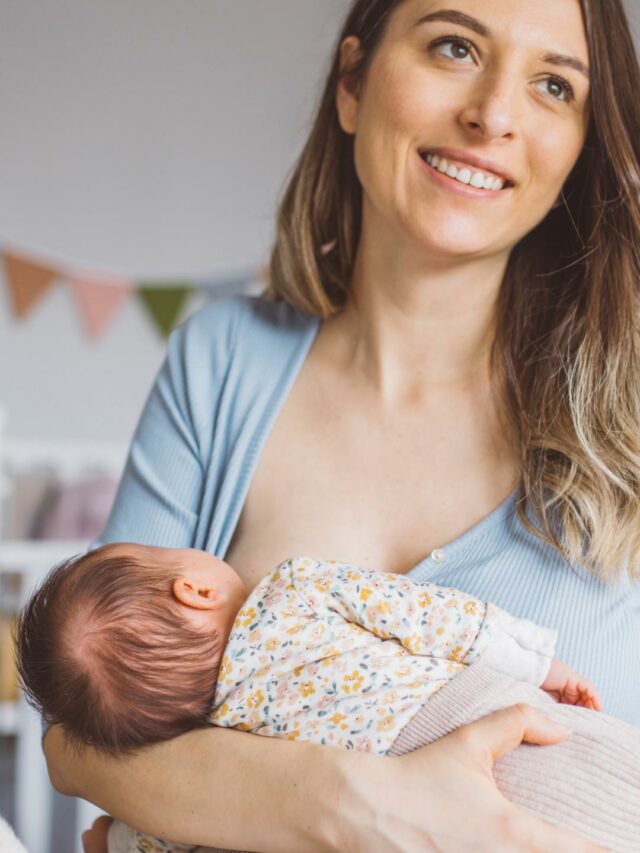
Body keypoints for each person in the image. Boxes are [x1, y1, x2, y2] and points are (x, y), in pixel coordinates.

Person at [43, 0, 640, 850]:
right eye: (455, 47)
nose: (494, 114)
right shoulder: (223, 362)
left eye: (554, 85)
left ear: (581, 146)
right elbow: (78, 740)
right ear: (353, 82)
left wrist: (208, 789)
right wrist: (361, 806)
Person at [17, 544, 640, 853]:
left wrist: (124, 839)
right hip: (520, 741)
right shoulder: (292, 592)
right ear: (194, 589)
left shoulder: (206, 753)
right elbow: (437, 619)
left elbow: (152, 833)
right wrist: (540, 664)